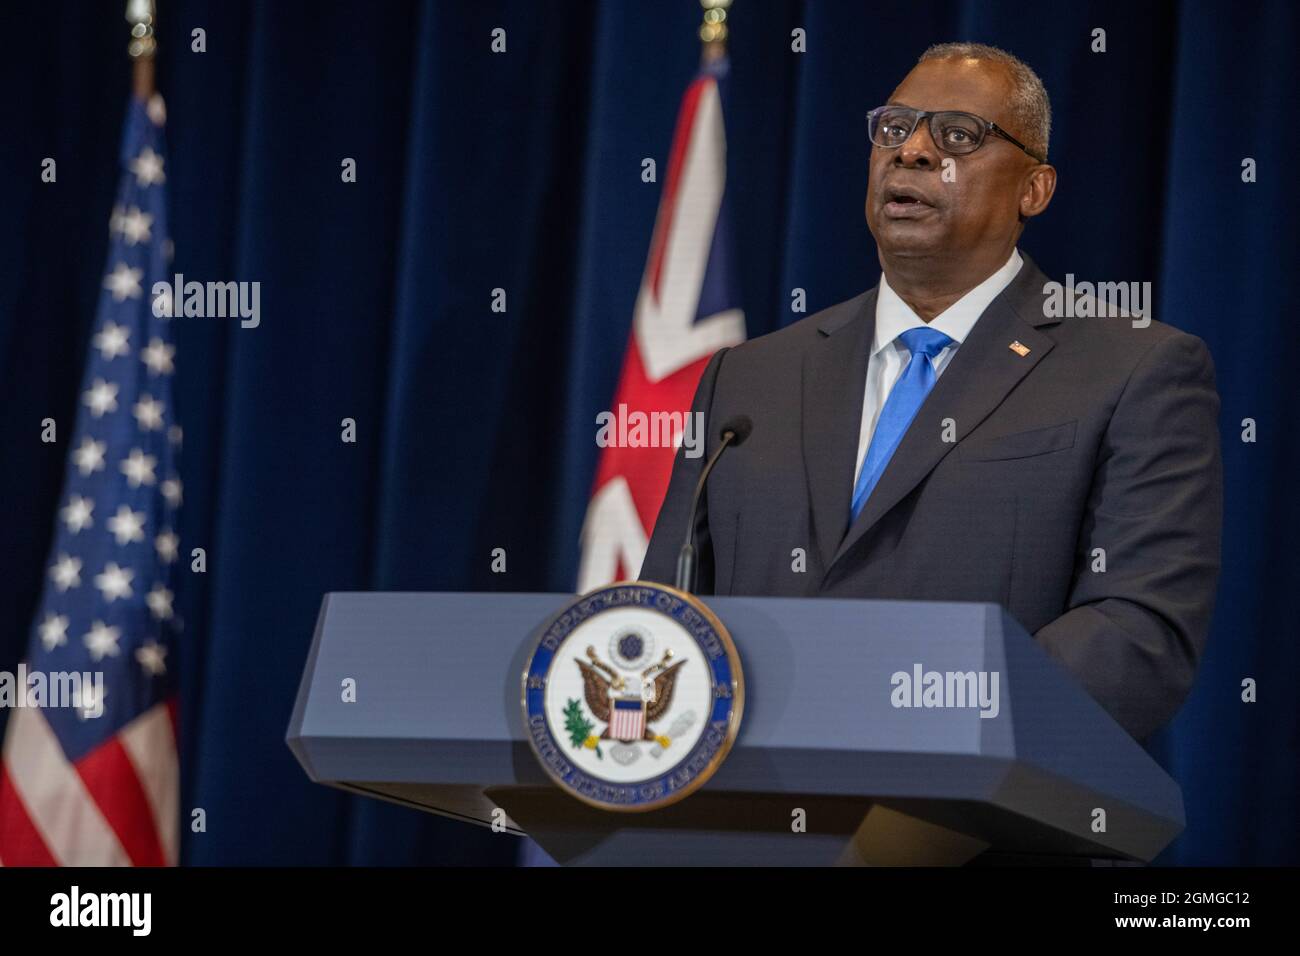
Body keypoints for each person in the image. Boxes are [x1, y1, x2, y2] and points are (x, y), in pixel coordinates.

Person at [638, 43, 1222, 741]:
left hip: (973, 827)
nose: (912, 151)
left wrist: (914, 718)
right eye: (893, 129)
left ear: (1034, 188)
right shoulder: (748, 378)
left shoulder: (1135, 368)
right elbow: (668, 614)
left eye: (957, 135)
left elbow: (1136, 632)